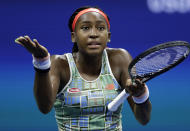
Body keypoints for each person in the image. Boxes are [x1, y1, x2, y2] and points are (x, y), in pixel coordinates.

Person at [15, 6, 152, 131]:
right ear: (73, 36)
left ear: (108, 37)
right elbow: (44, 107)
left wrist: (140, 95)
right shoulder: (59, 64)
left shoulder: (120, 59)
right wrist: (42, 63)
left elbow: (143, 119)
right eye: (86, 28)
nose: (94, 34)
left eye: (100, 28)